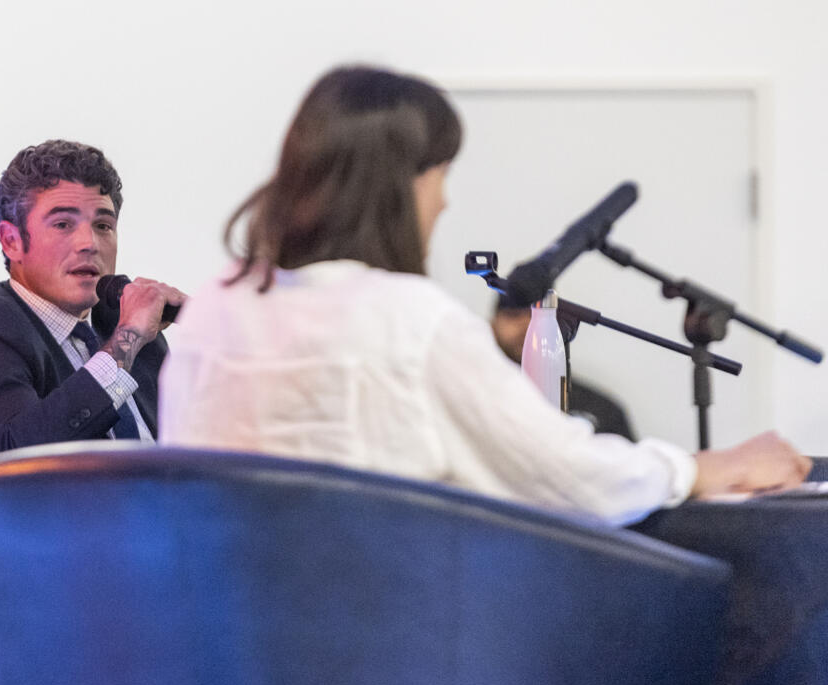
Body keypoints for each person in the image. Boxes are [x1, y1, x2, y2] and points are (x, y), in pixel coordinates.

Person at [158, 65, 810, 526]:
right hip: (390, 664)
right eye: (440, 175)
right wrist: (700, 469)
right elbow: (569, 480)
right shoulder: (407, 320)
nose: (445, 200)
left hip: (226, 674)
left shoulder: (219, 303)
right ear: (400, 185)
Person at [0, 139, 185, 465]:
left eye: (103, 226)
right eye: (63, 224)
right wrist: (125, 342)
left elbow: (188, 447)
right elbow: (21, 460)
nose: (89, 243)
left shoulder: (123, 322)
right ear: (11, 241)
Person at [491, 296, 637, 440]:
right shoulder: (479, 395)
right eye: (514, 315)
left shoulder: (603, 411)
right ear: (492, 323)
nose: (527, 325)